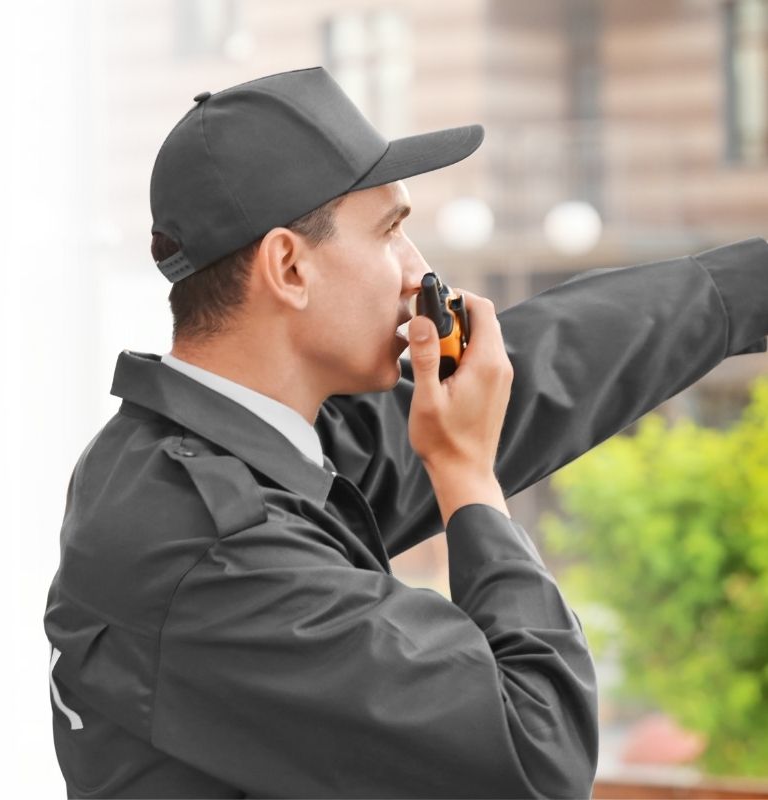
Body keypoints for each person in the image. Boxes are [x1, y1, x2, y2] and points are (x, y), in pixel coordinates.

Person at [43, 65, 768, 799]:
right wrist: (467, 479)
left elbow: (534, 374)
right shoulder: (216, 553)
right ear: (288, 267)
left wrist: (748, 289)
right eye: (391, 231)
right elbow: (537, 758)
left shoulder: (211, 449)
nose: (420, 274)